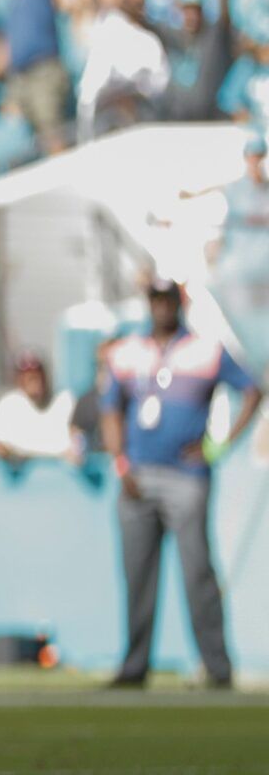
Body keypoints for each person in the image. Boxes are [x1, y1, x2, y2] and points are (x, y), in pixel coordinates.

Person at [100, 278, 262, 689]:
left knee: (197, 573)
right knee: (137, 575)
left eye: (167, 300)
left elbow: (253, 390)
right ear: (148, 303)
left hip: (187, 477)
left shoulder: (205, 350)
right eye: (155, 300)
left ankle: (217, 668)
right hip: (138, 475)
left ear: (178, 303)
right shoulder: (126, 352)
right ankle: (134, 667)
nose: (161, 308)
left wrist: (217, 448)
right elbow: (110, 410)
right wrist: (121, 464)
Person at [0, 354, 77, 465]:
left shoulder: (63, 400)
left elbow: (71, 445)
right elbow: (3, 446)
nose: (34, 381)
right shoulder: (9, 405)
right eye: (28, 376)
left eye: (37, 375)